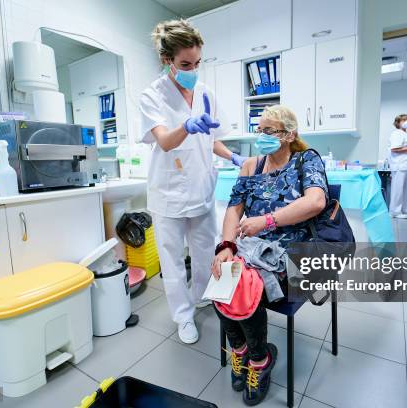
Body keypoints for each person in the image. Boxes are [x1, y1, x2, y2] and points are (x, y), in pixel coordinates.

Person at [211, 105, 327, 405]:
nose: (260, 136)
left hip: (294, 253)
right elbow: (234, 208)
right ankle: (241, 351)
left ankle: (260, 362)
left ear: (289, 135)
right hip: (252, 251)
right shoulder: (251, 165)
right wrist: (226, 246)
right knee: (219, 275)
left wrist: (267, 220)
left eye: (268, 131)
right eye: (258, 130)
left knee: (243, 286)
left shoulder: (306, 160)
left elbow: (315, 202)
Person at [139, 19, 246, 344]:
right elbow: (166, 141)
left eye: (198, 63)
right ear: (166, 60)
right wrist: (187, 124)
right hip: (168, 195)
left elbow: (210, 138)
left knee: (205, 256)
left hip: (200, 190)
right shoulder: (152, 96)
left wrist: (234, 157)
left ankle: (201, 297)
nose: (193, 69)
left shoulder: (205, 92)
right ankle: (183, 317)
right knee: (171, 262)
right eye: (186, 64)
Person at [389, 114, 407, 219]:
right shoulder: (397, 133)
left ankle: (405, 209)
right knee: (398, 189)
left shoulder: (406, 134)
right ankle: (395, 212)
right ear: (398, 122)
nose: (406, 121)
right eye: (403, 120)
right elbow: (394, 149)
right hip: (400, 166)